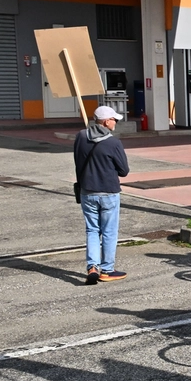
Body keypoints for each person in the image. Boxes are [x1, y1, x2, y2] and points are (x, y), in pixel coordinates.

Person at [74, 105, 131, 284]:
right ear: (106, 122)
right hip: (108, 191)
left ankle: (92, 266)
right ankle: (107, 269)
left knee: (92, 229)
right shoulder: (113, 142)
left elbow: (77, 160)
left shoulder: (81, 136)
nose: (116, 123)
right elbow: (124, 171)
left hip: (87, 191)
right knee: (109, 232)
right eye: (114, 119)